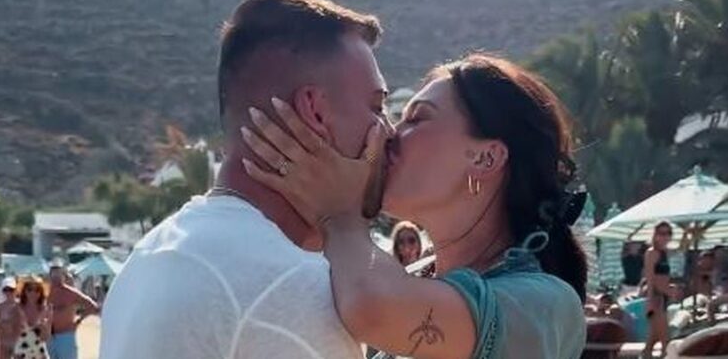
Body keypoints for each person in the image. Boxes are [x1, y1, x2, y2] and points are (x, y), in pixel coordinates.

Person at [100, 0, 388, 358]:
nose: (389, 131)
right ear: (315, 112)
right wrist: (347, 220)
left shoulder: (149, 257)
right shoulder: (286, 287)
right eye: (377, 107)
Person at [242, 53, 588, 357]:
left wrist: (340, 213)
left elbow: (373, 311)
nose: (390, 133)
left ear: (486, 158)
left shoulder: (544, 304)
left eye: (418, 118)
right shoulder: (408, 282)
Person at [642, 221, 680, 358]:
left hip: (663, 296)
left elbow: (681, 248)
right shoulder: (651, 253)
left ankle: (645, 356)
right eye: (662, 233)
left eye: (669, 233)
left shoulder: (664, 253)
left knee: (653, 339)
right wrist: (650, 302)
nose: (666, 237)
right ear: (655, 235)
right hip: (655, 297)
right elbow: (650, 278)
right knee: (665, 339)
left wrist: (689, 234)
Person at [48, 264, 99, 359]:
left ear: (63, 277)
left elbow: (92, 306)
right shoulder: (45, 293)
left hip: (65, 336)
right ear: (49, 277)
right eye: (54, 276)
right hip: (49, 337)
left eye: (59, 275)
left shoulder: (71, 293)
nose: (56, 279)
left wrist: (78, 322)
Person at [14, 278, 52, 359]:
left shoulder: (46, 309)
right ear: (24, 291)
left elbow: (46, 337)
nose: (33, 293)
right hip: (21, 351)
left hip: (39, 351)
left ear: (41, 292)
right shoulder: (17, 307)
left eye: (37, 290)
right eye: (29, 289)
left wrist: (43, 327)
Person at [0, 278, 24, 359]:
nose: (8, 292)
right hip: (3, 342)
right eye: (6, 290)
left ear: (15, 290)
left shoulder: (21, 306)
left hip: (18, 342)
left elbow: (22, 324)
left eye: (11, 290)